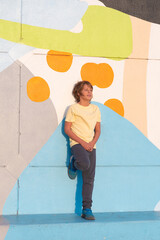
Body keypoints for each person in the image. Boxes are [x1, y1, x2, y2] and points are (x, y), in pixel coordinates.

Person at [64, 80, 101, 220]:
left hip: (91, 145)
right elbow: (67, 129)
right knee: (84, 164)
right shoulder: (73, 109)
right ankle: (73, 163)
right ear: (79, 93)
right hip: (77, 143)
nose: (89, 92)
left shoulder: (96, 109)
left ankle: (87, 209)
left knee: (89, 178)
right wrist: (83, 143)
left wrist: (92, 143)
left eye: (91, 89)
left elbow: (97, 130)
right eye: (86, 90)